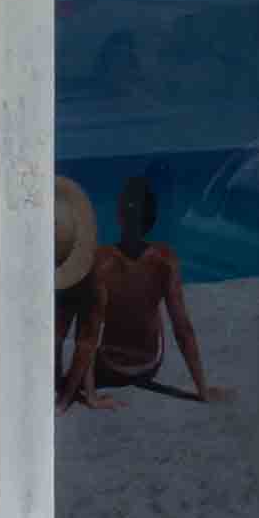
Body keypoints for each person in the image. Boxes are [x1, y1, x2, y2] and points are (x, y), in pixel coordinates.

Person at [59, 172, 228, 409]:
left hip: (111, 366)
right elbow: (183, 329)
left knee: (89, 309)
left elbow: (88, 337)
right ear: (152, 218)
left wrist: (80, 397)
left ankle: (80, 388)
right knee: (152, 305)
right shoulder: (166, 259)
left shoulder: (102, 261)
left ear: (119, 216)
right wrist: (203, 391)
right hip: (149, 364)